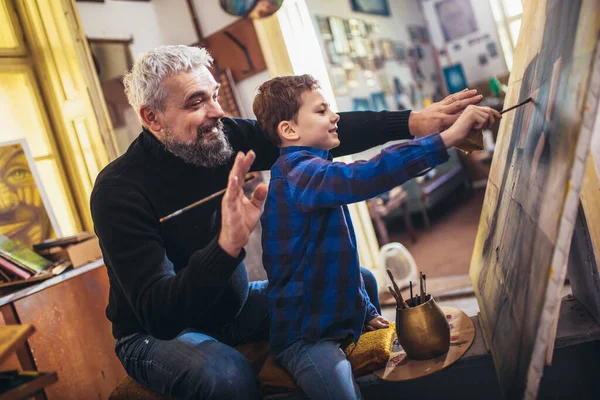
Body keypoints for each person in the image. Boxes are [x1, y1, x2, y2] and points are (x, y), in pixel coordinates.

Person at [90, 44, 485, 400]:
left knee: (361, 281)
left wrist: (416, 123)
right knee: (226, 376)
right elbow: (161, 315)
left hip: (234, 306)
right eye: (197, 102)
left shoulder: (216, 135)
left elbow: (316, 131)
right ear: (152, 118)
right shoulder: (118, 191)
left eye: (214, 96)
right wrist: (226, 247)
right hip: (155, 335)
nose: (217, 112)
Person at [253, 75, 499, 399]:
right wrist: (448, 137)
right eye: (322, 110)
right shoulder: (300, 175)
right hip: (306, 337)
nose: (335, 116)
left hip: (328, 308)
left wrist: (367, 310)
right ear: (289, 130)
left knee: (366, 277)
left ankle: (363, 314)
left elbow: (338, 260)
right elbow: (366, 174)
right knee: (338, 383)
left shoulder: (312, 169)